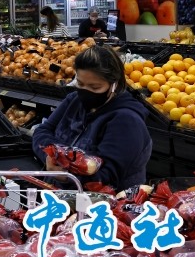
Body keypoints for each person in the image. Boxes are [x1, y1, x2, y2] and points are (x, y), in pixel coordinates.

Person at [32, 45, 151, 191]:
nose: (86, 92)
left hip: (101, 202)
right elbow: (43, 130)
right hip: (57, 195)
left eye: (95, 87)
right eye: (80, 83)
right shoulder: (74, 100)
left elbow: (108, 175)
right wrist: (54, 156)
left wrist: (68, 176)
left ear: (114, 84)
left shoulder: (126, 120)